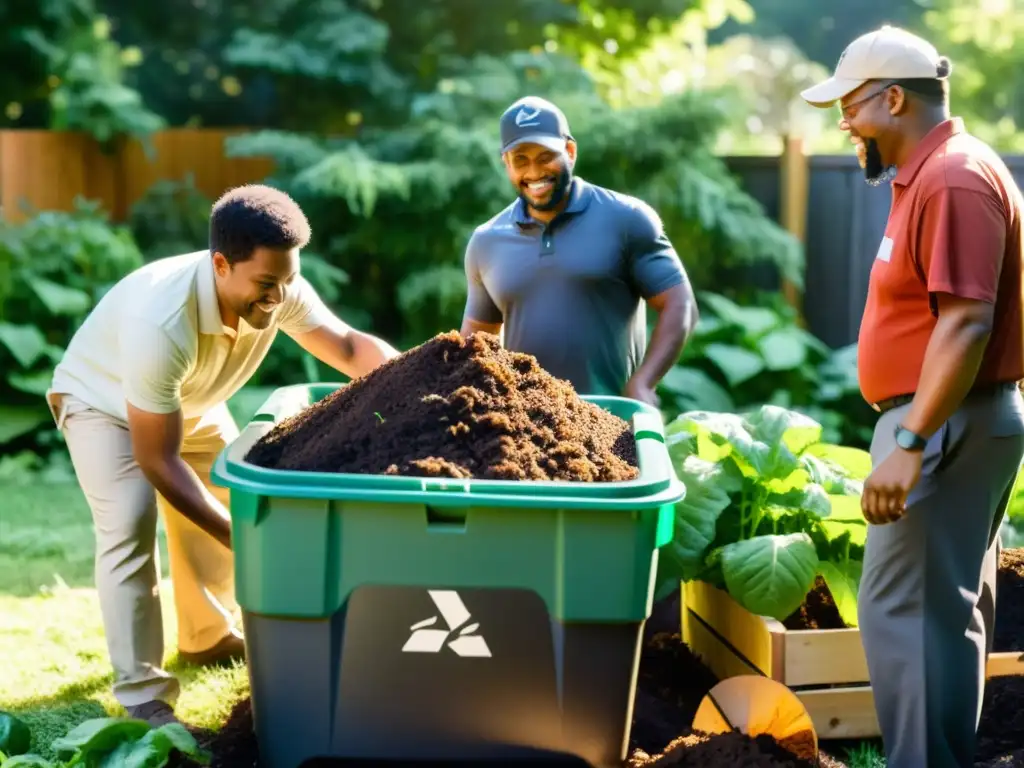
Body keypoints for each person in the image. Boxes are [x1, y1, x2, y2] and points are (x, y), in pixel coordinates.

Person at [45, 184, 400, 726]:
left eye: (286, 281)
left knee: (226, 490)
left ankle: (206, 637)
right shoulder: (161, 322)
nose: (278, 298)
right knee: (128, 523)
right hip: (105, 403)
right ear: (220, 264)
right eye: (265, 284)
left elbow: (349, 348)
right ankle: (143, 694)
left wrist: (418, 378)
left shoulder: (278, 282)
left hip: (187, 398)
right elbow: (158, 459)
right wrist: (243, 538)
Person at [801, 25, 1024, 768]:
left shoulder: (954, 178)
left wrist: (909, 440)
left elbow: (967, 321)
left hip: (945, 423)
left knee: (907, 615)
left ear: (894, 98)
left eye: (851, 105)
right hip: (951, 421)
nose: (843, 121)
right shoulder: (930, 175)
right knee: (936, 616)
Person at [459, 96, 698, 405]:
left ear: (569, 152)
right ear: (506, 163)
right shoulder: (486, 241)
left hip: (611, 423)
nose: (534, 172)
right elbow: (477, 342)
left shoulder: (626, 219)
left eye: (546, 156)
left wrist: (643, 384)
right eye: (520, 159)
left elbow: (680, 304)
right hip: (526, 432)